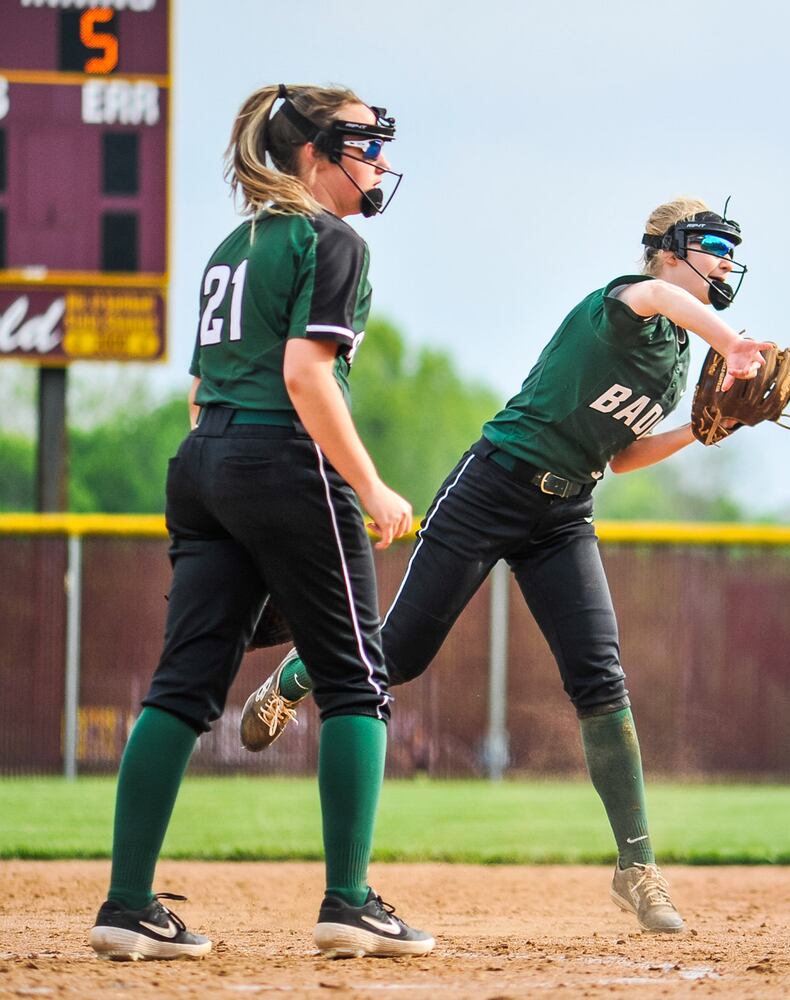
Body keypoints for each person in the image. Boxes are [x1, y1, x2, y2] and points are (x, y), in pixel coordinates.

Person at [238, 196, 775, 934]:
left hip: (564, 511)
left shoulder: (677, 358)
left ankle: (636, 867)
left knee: (599, 675)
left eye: (731, 249)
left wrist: (698, 431)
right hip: (494, 483)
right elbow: (654, 296)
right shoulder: (625, 301)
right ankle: (299, 672)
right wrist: (735, 344)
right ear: (668, 247)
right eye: (713, 243)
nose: (724, 260)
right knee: (402, 653)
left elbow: (619, 457)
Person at [87, 84, 432, 961]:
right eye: (365, 143)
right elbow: (306, 377)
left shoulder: (232, 245)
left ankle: (128, 906)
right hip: (284, 461)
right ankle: (349, 902)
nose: (381, 160)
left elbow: (204, 388)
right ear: (315, 152)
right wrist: (373, 486)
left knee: (180, 688)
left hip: (202, 464)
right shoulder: (333, 239)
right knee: (356, 679)